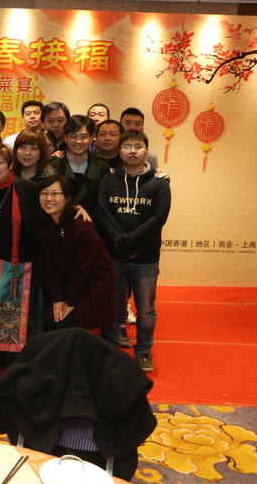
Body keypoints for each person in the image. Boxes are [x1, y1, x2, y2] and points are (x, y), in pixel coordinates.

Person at [98, 130, 171, 373]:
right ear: (119, 151)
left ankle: (143, 350)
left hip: (145, 258)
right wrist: (121, 242)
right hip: (114, 255)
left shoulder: (159, 183)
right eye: (127, 146)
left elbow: (158, 218)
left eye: (138, 146)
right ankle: (109, 348)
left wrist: (129, 242)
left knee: (146, 309)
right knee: (110, 304)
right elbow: (103, 213)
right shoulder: (108, 180)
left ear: (146, 151)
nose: (132, 151)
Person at [0, 143, 42, 374]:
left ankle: (21, 359)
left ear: (10, 164)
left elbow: (50, 212)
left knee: (23, 315)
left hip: (27, 263)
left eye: (0, 162)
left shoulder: (29, 189)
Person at [35, 174, 117, 332]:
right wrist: (58, 299)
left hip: (95, 285)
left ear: (67, 198)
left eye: (55, 193)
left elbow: (82, 269)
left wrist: (70, 302)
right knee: (49, 323)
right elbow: (50, 266)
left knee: (62, 324)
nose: (49, 198)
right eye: (44, 193)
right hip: (71, 283)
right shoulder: (43, 225)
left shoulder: (82, 226)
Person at [49, 115, 110, 221]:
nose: (78, 141)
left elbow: (104, 203)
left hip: (91, 225)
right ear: (65, 138)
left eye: (83, 137)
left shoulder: (102, 165)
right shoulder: (53, 164)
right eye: (73, 136)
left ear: (91, 139)